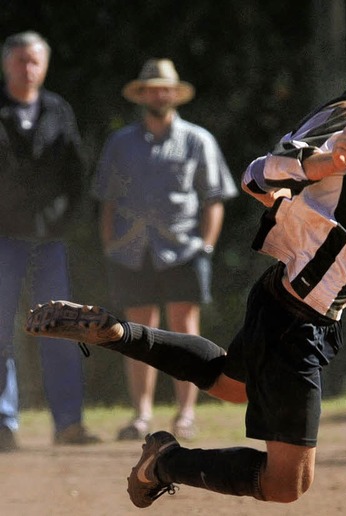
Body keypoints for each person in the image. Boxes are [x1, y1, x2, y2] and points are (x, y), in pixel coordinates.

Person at [25, 8, 346, 506]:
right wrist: (320, 163)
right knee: (285, 483)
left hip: (290, 302)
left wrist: (321, 168)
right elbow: (258, 174)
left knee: (231, 383)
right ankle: (162, 462)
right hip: (297, 316)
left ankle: (118, 333)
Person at [93, 59, 238, 442]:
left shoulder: (197, 140)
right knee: (134, 332)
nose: (159, 94)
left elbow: (214, 198)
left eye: (165, 88)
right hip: (131, 250)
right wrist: (110, 244)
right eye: (152, 88)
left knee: (185, 330)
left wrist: (205, 245)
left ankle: (186, 414)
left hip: (184, 248)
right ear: (141, 95)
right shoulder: (120, 142)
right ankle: (140, 414)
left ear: (175, 94)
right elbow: (106, 200)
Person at [0, 31, 99, 450]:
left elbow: (76, 172)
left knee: (59, 326)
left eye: (35, 61)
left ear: (45, 65)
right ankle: (4, 423)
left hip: (48, 239)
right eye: (21, 60)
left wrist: (64, 218)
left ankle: (69, 423)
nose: (28, 68)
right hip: (2, 238)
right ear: (7, 65)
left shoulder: (58, 109)